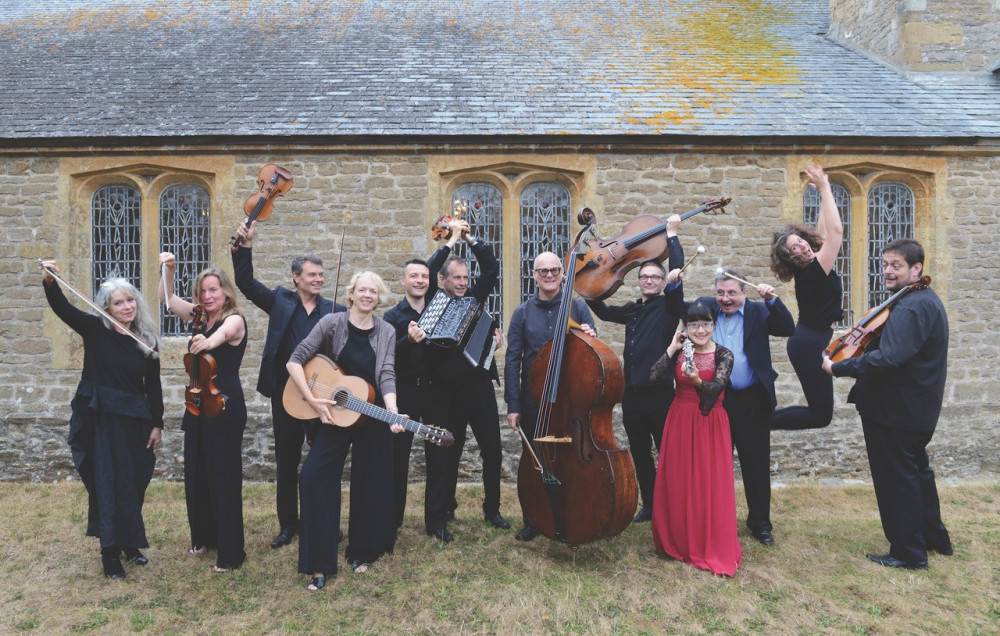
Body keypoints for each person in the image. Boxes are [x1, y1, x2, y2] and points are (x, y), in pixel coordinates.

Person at [823, 238, 951, 569]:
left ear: (916, 268)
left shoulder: (911, 307)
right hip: (913, 409)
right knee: (917, 473)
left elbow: (889, 358)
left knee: (897, 480)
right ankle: (933, 539)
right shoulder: (922, 300)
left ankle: (908, 553)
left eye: (896, 265)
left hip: (896, 410)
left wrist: (839, 367)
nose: (888, 271)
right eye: (885, 264)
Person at [41, 262, 163, 580]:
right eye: (118, 302)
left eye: (130, 300)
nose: (126, 307)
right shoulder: (95, 329)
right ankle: (109, 553)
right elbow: (63, 309)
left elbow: (153, 386)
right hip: (103, 420)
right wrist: (50, 282)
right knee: (109, 485)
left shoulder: (147, 339)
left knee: (135, 483)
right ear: (106, 307)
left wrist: (157, 423)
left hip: (136, 421)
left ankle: (129, 543)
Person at [232, 220, 345, 550]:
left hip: (321, 396)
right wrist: (245, 246)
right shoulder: (280, 300)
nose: (319, 280)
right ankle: (288, 523)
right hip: (286, 394)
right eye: (312, 275)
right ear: (296, 277)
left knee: (323, 461)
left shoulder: (334, 309)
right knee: (286, 459)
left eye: (321, 275)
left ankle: (324, 521)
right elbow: (246, 283)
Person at [286, 271, 401, 589]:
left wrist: (392, 411)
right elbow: (295, 360)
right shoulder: (331, 324)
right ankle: (319, 564)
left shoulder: (387, 330)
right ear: (351, 294)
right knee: (312, 476)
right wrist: (311, 398)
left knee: (370, 481)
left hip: (371, 410)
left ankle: (363, 552)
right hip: (334, 414)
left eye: (373, 292)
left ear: (379, 298)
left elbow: (387, 373)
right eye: (362, 290)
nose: (367, 295)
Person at [667, 267, 794, 545]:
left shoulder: (760, 311)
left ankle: (760, 523)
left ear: (745, 293)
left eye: (732, 293)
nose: (726, 299)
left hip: (751, 400)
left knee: (755, 464)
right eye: (721, 293)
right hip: (714, 400)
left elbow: (787, 328)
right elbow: (677, 307)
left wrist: (772, 299)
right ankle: (711, 520)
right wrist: (674, 284)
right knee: (711, 465)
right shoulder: (708, 308)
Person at [410, 218, 509, 543]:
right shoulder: (433, 301)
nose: (464, 283)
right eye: (457, 278)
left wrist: (471, 239)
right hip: (443, 392)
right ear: (443, 280)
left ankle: (492, 509)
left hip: (477, 386)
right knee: (445, 453)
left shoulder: (474, 297)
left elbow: (492, 269)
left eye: (466, 278)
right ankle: (442, 514)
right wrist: (451, 241)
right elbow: (428, 267)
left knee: (492, 450)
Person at [585, 213, 684, 523]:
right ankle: (651, 506)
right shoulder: (632, 310)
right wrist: (586, 281)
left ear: (661, 280)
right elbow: (601, 310)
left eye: (655, 277)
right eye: (645, 277)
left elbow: (678, 270)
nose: (649, 281)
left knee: (667, 455)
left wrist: (672, 235)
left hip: (660, 395)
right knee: (641, 455)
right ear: (639, 281)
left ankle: (672, 506)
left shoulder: (669, 306)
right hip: (632, 396)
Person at [159, 255, 248, 572]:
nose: (208, 296)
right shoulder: (198, 316)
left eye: (214, 290)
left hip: (224, 402)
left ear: (225, 291)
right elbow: (168, 300)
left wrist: (204, 341)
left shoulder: (234, 319)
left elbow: (219, 338)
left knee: (223, 475)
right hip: (197, 399)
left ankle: (231, 552)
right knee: (197, 470)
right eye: (203, 292)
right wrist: (168, 271)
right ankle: (204, 537)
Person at [505, 251, 596, 541]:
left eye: (554, 269)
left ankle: (573, 512)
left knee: (572, 459)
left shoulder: (578, 308)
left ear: (562, 273)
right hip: (535, 399)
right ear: (534, 275)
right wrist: (513, 404)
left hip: (571, 398)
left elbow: (592, 353)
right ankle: (533, 519)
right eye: (542, 270)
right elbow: (512, 359)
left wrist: (591, 335)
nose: (548, 275)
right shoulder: (521, 313)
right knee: (535, 460)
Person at [650, 302, 739, 576]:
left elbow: (713, 392)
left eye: (706, 324)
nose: (700, 330)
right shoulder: (682, 351)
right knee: (679, 479)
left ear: (714, 326)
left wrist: (697, 380)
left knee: (707, 481)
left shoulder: (724, 355)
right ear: (685, 328)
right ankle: (678, 540)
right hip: (679, 418)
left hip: (709, 421)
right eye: (694, 325)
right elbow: (653, 378)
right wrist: (672, 348)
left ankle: (707, 541)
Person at [769, 165, 844, 431]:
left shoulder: (813, 266)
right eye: (794, 247)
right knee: (820, 415)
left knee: (819, 413)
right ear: (791, 257)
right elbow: (835, 235)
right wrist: (825, 188)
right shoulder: (812, 272)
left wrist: (825, 195)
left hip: (809, 341)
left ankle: (757, 423)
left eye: (800, 241)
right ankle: (757, 423)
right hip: (808, 345)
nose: (801, 245)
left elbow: (823, 236)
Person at [383, 259, 432, 529]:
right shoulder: (392, 317)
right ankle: (394, 520)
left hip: (434, 391)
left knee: (437, 456)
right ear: (403, 281)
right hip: (404, 392)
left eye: (424, 276)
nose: (420, 280)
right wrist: (408, 341)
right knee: (398, 459)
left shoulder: (437, 311)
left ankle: (436, 521)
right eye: (414, 276)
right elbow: (386, 358)